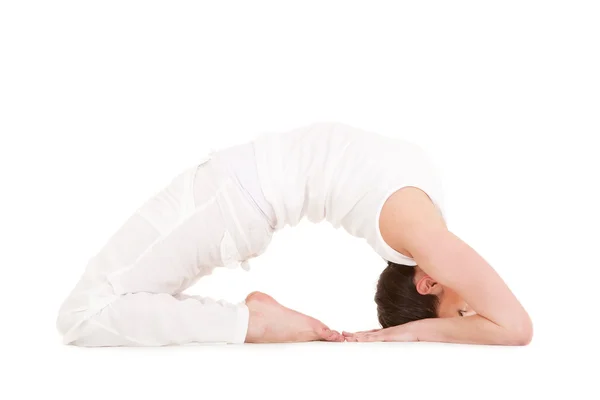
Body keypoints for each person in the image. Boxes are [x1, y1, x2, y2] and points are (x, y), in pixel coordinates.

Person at [56, 122, 532, 346]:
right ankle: (251, 321)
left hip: (228, 198)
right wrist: (413, 332)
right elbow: (515, 327)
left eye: (463, 309)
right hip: (229, 196)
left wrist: (410, 333)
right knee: (99, 306)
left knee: (83, 314)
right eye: (467, 312)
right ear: (428, 281)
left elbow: (515, 330)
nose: (475, 309)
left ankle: (251, 324)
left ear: (428, 283)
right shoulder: (427, 232)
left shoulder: (424, 229)